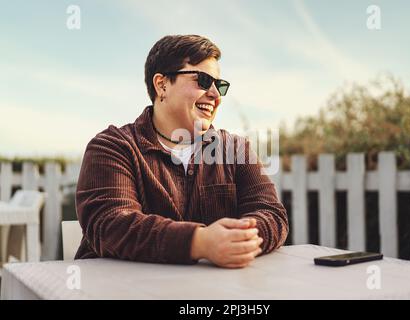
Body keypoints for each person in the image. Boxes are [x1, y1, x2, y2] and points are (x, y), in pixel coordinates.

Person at [75, 34, 288, 268]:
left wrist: (240, 237)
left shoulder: (236, 149)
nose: (216, 95)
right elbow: (111, 224)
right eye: (204, 81)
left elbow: (272, 214)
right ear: (162, 84)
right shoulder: (112, 147)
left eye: (220, 85)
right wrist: (200, 242)